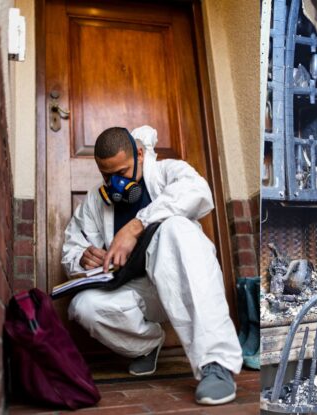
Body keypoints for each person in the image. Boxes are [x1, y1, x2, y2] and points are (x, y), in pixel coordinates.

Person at [61, 126, 243, 405]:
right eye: (106, 175)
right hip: (136, 292)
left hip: (180, 281)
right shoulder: (95, 202)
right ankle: (146, 345)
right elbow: (71, 247)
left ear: (141, 154)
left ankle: (216, 364)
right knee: (83, 306)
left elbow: (199, 192)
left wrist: (136, 226)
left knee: (176, 229)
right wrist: (82, 257)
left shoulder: (168, 172)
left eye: (121, 173)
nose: (114, 183)